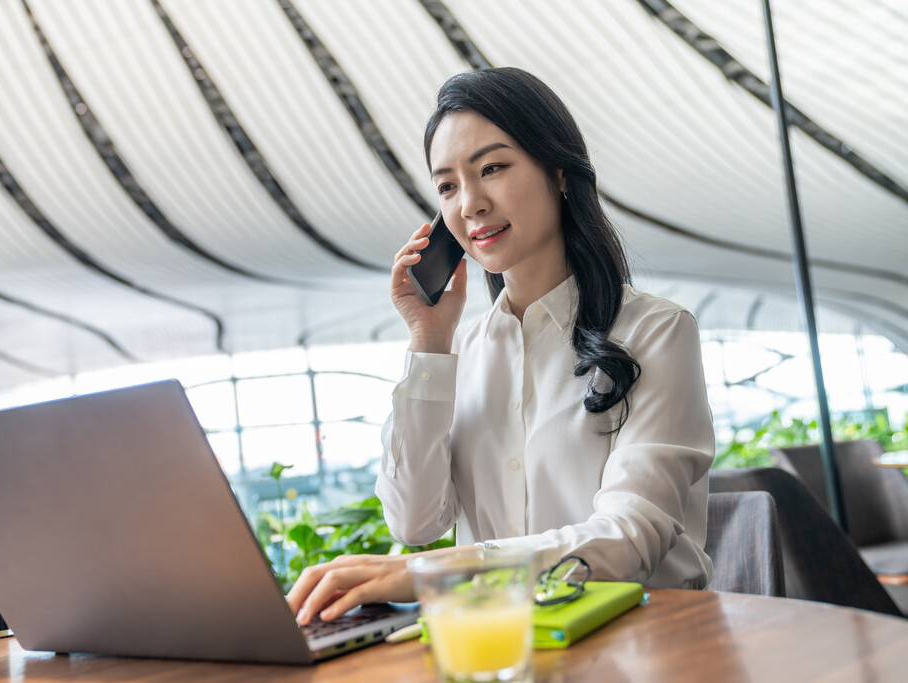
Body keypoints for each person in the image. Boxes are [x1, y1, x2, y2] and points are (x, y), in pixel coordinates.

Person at [287, 67, 714, 625]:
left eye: (491, 168)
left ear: (558, 172)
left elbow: (631, 538)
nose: (470, 204)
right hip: (504, 648)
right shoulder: (455, 353)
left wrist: (435, 574)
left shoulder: (657, 332)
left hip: (647, 643)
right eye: (447, 186)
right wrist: (429, 343)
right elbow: (414, 522)